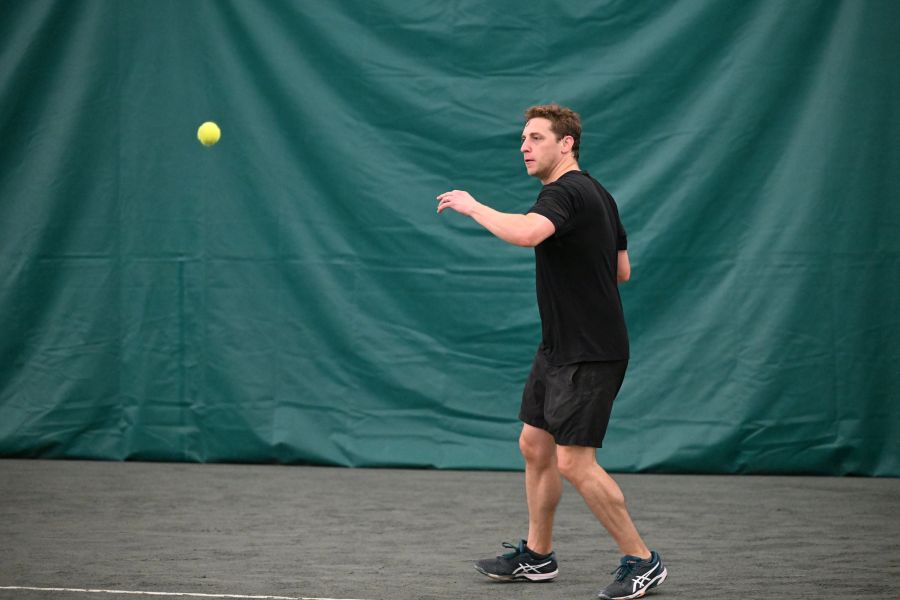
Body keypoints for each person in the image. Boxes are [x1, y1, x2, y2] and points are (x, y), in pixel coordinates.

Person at [436, 104, 667, 600]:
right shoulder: (599, 195)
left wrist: (472, 206)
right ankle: (538, 556)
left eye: (536, 138)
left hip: (590, 350)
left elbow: (527, 233)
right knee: (535, 445)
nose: (524, 147)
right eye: (523, 138)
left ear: (566, 144)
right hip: (559, 346)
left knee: (574, 462)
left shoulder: (565, 192)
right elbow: (622, 270)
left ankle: (643, 561)